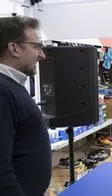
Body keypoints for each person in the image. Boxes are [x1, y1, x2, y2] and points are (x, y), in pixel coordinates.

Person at [0, 16, 51, 195]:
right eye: (36, 46)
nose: (42, 54)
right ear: (14, 48)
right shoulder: (2, 90)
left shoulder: (11, 86)